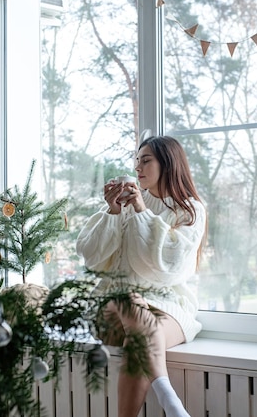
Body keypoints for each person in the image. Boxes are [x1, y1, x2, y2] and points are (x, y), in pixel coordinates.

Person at [76, 135, 206, 417]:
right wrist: (112, 211)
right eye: (136, 161)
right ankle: (170, 400)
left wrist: (141, 211)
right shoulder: (123, 201)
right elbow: (91, 255)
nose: (138, 167)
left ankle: (167, 407)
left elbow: (169, 264)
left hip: (166, 304)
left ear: (168, 163)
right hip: (115, 304)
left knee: (141, 343)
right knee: (128, 298)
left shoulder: (189, 209)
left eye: (146, 160)